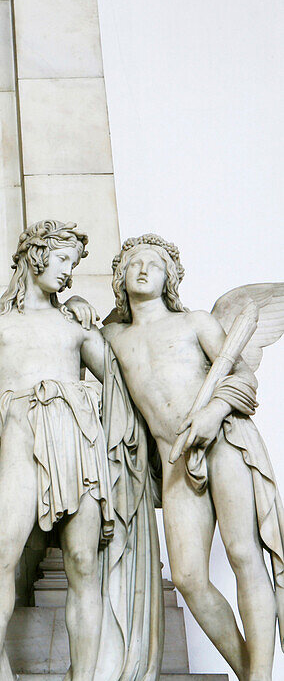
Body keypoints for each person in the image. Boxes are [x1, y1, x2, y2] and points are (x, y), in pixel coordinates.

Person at [103, 235, 284, 681]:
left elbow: (243, 379)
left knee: (244, 552)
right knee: (187, 577)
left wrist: (214, 410)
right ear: (120, 279)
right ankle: (250, 674)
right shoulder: (113, 338)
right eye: (133, 264)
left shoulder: (196, 322)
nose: (143, 269)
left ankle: (260, 676)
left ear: (170, 279)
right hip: (175, 462)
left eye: (154, 264)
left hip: (224, 441)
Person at [0, 222, 113, 681]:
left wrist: (98, 321)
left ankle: (85, 677)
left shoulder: (72, 321)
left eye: (73, 265)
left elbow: (121, 377)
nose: (68, 272)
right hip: (17, 435)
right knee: (0, 551)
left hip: (77, 439)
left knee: (82, 560)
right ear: (35, 254)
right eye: (62, 259)